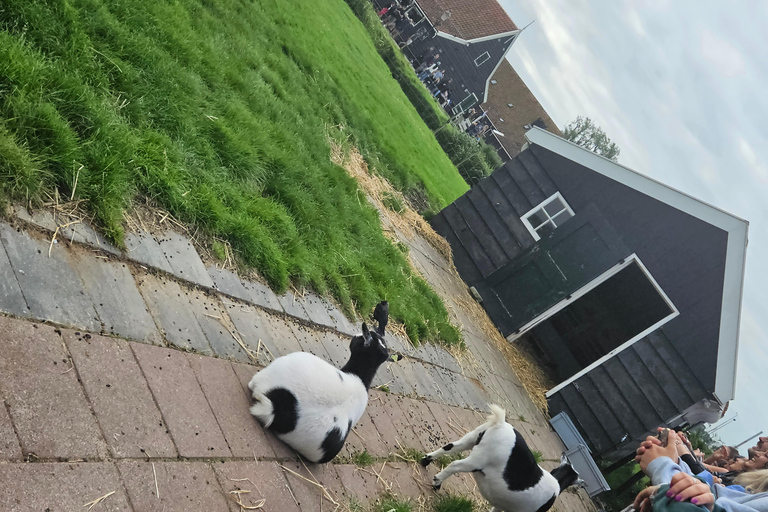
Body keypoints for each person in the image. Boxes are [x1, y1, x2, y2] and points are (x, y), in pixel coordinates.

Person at [633, 431, 768, 511]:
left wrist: (663, 465)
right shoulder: (747, 488)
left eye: (767, 455)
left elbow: (699, 480)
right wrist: (674, 459)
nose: (762, 438)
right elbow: (706, 490)